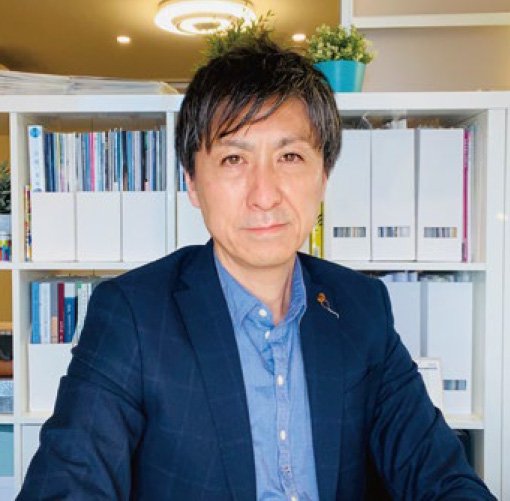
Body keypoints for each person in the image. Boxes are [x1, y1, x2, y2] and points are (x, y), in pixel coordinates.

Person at [18, 40, 495, 501]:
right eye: (233, 159)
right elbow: (68, 483)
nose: (264, 195)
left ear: (323, 175)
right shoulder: (133, 315)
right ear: (192, 182)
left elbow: (439, 474)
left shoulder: (362, 307)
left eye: (290, 157)